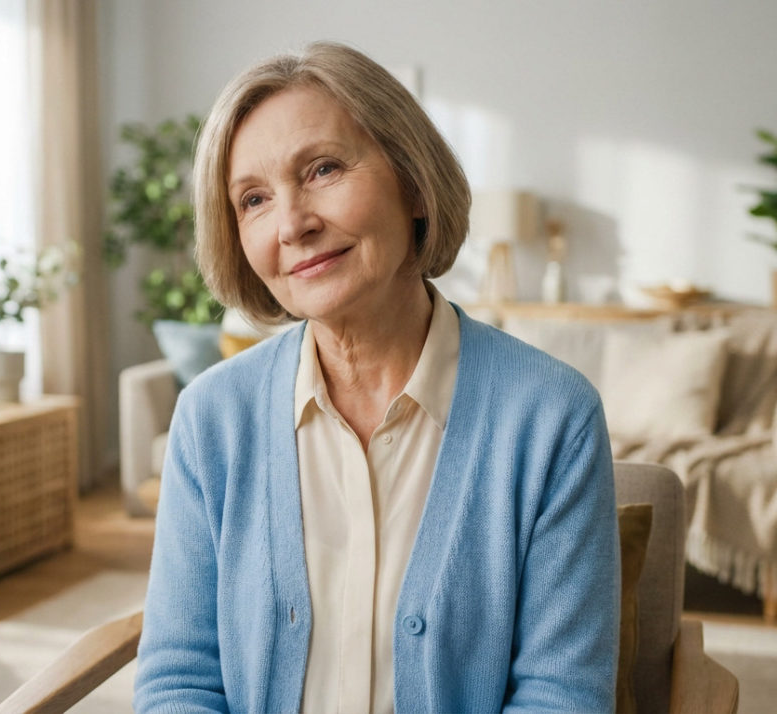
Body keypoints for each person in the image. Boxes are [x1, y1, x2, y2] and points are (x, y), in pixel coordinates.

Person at [135, 41, 619, 713]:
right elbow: (178, 682)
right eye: (253, 200)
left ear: (415, 184)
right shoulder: (210, 417)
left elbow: (562, 697)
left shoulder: (552, 419)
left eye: (324, 168)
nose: (293, 224)